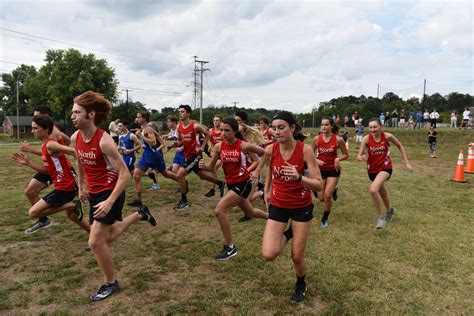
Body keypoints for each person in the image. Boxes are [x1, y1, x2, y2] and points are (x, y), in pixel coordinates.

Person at [71, 91, 156, 301]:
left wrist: (109, 202)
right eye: (72, 112)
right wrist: (81, 186)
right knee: (105, 237)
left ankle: (111, 283)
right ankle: (140, 215)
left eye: (77, 112)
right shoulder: (75, 138)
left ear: (90, 115)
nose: (72, 116)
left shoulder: (105, 141)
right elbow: (80, 161)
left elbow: (124, 174)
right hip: (94, 193)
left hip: (111, 192)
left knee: (96, 242)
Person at [252, 111, 323, 303]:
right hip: (279, 205)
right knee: (268, 254)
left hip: (301, 207)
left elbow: (319, 184)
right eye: (274, 128)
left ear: (292, 128)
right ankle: (290, 232)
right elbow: (270, 168)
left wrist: (300, 177)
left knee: (297, 257)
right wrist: (267, 190)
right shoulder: (270, 149)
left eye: (281, 127)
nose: (276, 132)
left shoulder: (305, 150)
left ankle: (301, 283)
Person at [199, 117, 268, 260]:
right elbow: (211, 167)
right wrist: (203, 165)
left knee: (219, 210)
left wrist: (255, 171)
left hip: (243, 183)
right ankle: (275, 218)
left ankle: (230, 247)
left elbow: (264, 154)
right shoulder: (219, 147)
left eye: (227, 130)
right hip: (231, 183)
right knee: (251, 211)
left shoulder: (243, 146)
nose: (223, 133)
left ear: (235, 131)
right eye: (222, 130)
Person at [12, 114, 89, 233]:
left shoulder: (50, 144)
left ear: (46, 129)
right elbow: (48, 171)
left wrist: (83, 181)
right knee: (73, 216)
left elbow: (75, 152)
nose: (32, 131)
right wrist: (28, 163)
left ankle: (72, 204)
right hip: (64, 186)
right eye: (32, 128)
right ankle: (95, 237)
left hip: (66, 187)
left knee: (33, 212)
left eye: (35, 128)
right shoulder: (45, 145)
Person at [19, 106, 71, 234]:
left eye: (37, 116)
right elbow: (68, 140)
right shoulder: (52, 131)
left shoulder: (52, 132)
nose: (34, 118)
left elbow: (56, 148)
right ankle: (43, 220)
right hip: (49, 167)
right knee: (30, 192)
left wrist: (31, 150)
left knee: (31, 193)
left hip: (55, 170)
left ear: (46, 117)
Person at [356, 118, 413, 229]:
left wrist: (406, 163)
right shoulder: (366, 139)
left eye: (375, 127)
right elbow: (358, 156)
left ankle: (380, 218)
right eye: (370, 127)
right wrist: (362, 158)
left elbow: (399, 145)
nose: (373, 130)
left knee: (373, 190)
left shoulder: (387, 136)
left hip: (386, 168)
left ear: (380, 126)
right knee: (382, 192)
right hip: (372, 170)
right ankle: (390, 211)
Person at [173, 105, 225, 210]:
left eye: (182, 112)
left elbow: (208, 134)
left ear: (188, 114)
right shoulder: (179, 127)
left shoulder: (195, 126)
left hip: (195, 155)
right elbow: (180, 141)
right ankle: (220, 183)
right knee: (202, 176)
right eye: (179, 112)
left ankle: (184, 201)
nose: (180, 113)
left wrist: (201, 147)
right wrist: (176, 144)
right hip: (187, 155)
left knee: (179, 175)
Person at [128, 110, 179, 207]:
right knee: (136, 175)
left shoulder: (147, 129)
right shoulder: (145, 128)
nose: (137, 119)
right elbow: (158, 137)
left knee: (165, 174)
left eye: (139, 117)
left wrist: (140, 136)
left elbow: (154, 142)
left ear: (144, 118)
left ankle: (182, 181)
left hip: (154, 156)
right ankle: (138, 200)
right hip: (146, 156)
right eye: (137, 117)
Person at [311, 117, 349, 228]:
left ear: (331, 126)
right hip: (320, 171)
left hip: (333, 170)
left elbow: (346, 155)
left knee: (327, 196)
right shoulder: (316, 139)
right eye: (322, 124)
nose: (323, 127)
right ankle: (329, 189)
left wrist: (338, 159)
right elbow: (309, 154)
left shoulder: (338, 139)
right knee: (321, 198)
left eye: (326, 125)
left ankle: (325, 218)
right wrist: (316, 160)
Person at [204, 115, 224, 197]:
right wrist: (210, 146)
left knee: (213, 168)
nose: (215, 122)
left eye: (217, 120)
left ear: (221, 121)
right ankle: (215, 188)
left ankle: (217, 187)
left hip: (223, 154)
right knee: (212, 169)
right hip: (216, 154)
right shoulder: (211, 130)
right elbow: (208, 139)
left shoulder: (223, 131)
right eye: (214, 121)